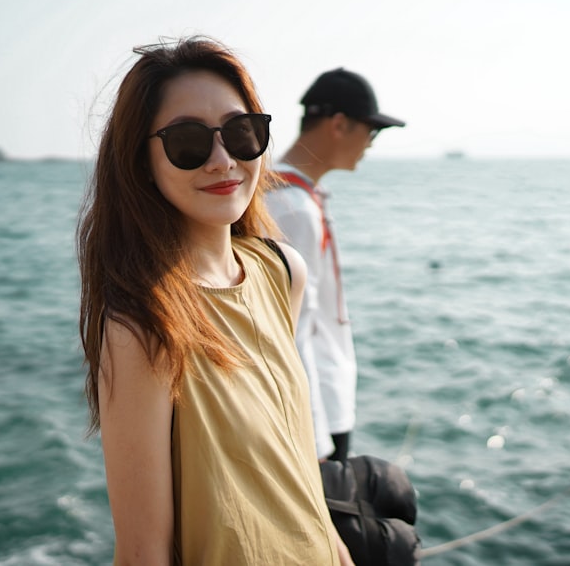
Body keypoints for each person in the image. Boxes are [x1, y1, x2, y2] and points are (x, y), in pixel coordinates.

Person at [76, 36, 353, 565]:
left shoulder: (282, 272)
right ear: (141, 162)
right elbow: (142, 554)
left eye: (240, 132)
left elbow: (290, 456)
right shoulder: (144, 324)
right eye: (187, 142)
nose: (223, 159)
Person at [266, 68, 406, 462]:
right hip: (319, 415)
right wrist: (315, 444)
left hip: (323, 404)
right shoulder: (291, 207)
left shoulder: (292, 196)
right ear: (339, 124)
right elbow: (292, 330)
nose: (371, 144)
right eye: (372, 132)